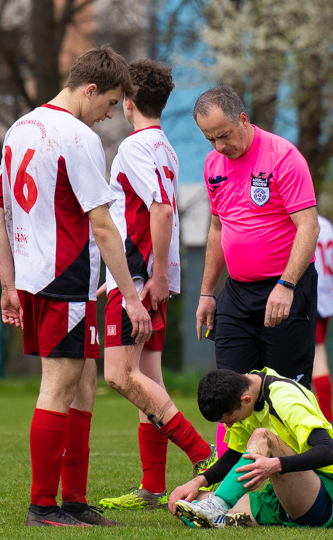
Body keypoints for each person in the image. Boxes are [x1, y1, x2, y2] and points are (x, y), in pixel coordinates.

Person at [0, 45, 152, 528]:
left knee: (84, 383)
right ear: (90, 90)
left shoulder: (20, 127)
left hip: (38, 279)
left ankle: (74, 501)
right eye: (108, 104)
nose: (106, 117)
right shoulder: (76, 137)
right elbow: (103, 226)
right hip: (65, 280)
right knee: (59, 387)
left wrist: (9, 283)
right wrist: (133, 297)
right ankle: (43, 506)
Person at [95, 59, 216, 511]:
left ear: (127, 102)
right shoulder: (165, 146)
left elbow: (160, 210)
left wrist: (155, 275)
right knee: (148, 380)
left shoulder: (133, 148)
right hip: (154, 278)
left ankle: (202, 453)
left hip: (137, 280)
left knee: (119, 376)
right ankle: (151, 486)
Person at [193, 86, 320, 457]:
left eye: (224, 135)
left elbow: (308, 227)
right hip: (236, 292)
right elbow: (218, 229)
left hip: (284, 289)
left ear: (243, 120)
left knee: (285, 391)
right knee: (229, 388)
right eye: (210, 138)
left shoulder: (283, 157)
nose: (218, 146)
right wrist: (206, 292)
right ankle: (227, 486)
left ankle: (297, 478)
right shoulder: (213, 165)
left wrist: (286, 285)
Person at [169, 368, 333, 529]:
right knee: (187, 504)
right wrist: (199, 481)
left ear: (246, 399)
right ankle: (222, 517)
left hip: (327, 499)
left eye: (233, 420)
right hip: (281, 501)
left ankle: (219, 506)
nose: (233, 425)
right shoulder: (246, 397)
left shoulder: (284, 399)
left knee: (262, 436)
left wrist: (275, 464)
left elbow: (330, 451)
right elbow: (235, 454)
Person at [312, 214, 333, 424]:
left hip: (308, 301)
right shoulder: (326, 224)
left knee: (316, 361)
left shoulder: (297, 222)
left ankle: (326, 421)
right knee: (316, 358)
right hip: (325, 301)